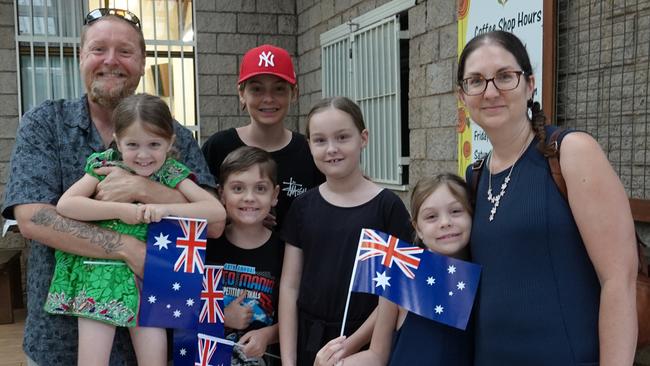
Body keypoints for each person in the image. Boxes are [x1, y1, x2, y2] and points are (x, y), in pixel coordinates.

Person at [1, 8, 216, 366]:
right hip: (62, 343)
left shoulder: (172, 135)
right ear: (81, 56)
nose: (111, 61)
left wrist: (143, 190)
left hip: (154, 327)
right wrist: (127, 247)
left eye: (125, 51)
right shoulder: (45, 123)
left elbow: (215, 219)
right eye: (99, 49)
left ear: (143, 62)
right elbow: (34, 218)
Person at [457, 30, 637, 365]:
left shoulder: (570, 152)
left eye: (504, 77)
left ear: (529, 84)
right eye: (476, 81)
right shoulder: (476, 175)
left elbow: (619, 280)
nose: (491, 91)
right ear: (463, 96)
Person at [44, 93, 226, 366]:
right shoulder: (103, 166)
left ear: (170, 141)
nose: (143, 155)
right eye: (132, 144)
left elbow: (216, 212)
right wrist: (121, 210)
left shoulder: (171, 173)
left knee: (154, 360)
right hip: (99, 276)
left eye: (154, 144)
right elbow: (67, 205)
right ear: (117, 140)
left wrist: (167, 209)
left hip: (149, 277)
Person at [278, 96, 413, 366]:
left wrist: (349, 346)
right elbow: (290, 286)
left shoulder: (388, 208)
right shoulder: (303, 207)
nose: (331, 149)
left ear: (363, 138)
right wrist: (289, 361)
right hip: (310, 343)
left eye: (342, 137)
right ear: (309, 145)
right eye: (320, 140)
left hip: (366, 346)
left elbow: (398, 293)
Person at [315, 173, 474, 366]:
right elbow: (376, 356)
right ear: (418, 229)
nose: (445, 222)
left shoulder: (488, 275)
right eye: (431, 216)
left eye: (456, 211)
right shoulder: (400, 276)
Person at [201, 44, 324, 232]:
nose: (268, 98)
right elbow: (196, 210)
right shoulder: (218, 147)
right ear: (242, 94)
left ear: (294, 94)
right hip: (225, 260)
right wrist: (238, 216)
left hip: (295, 260)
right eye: (257, 89)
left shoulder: (309, 151)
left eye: (279, 89)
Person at [206, 146, 284, 366]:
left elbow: (296, 315)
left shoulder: (286, 251)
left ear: (275, 195)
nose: (249, 198)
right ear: (221, 194)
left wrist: (268, 335)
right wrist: (222, 316)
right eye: (238, 188)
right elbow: (179, 307)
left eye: (260, 189)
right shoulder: (206, 246)